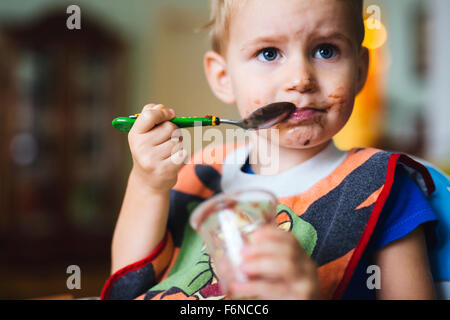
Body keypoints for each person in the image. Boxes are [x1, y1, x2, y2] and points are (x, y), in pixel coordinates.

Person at [100, 0, 438, 300]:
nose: (301, 79)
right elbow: (129, 283)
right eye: (269, 53)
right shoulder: (200, 173)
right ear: (223, 77)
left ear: (360, 69)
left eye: (326, 50)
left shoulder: (383, 187)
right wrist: (147, 185)